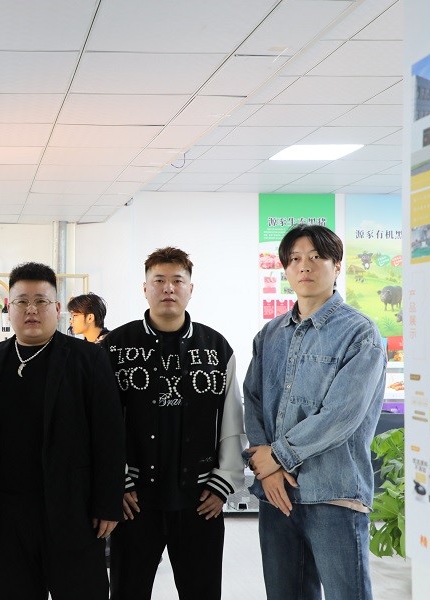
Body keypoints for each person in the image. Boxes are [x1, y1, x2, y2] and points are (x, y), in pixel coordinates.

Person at [243, 225, 386, 600]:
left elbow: (341, 415)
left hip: (333, 494)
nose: (304, 266)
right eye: (294, 259)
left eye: (316, 257)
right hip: (277, 495)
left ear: (337, 266)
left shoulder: (360, 333)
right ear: (286, 270)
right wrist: (267, 468)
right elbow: (253, 400)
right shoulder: (270, 334)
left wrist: (276, 456)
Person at [0, 262, 125, 600]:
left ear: (56, 307)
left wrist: (108, 502)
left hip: (74, 511)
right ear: (9, 308)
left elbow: (109, 434)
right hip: (6, 518)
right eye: (22, 301)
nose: (31, 310)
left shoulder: (88, 359)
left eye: (41, 301)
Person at [104, 246, 246, 600]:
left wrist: (224, 482)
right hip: (134, 499)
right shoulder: (114, 347)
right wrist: (115, 481)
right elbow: (101, 422)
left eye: (177, 281)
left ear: (190, 289)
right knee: (127, 591)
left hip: (200, 497)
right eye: (159, 280)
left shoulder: (216, 347)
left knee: (202, 591)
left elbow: (232, 419)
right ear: (145, 288)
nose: (168, 288)